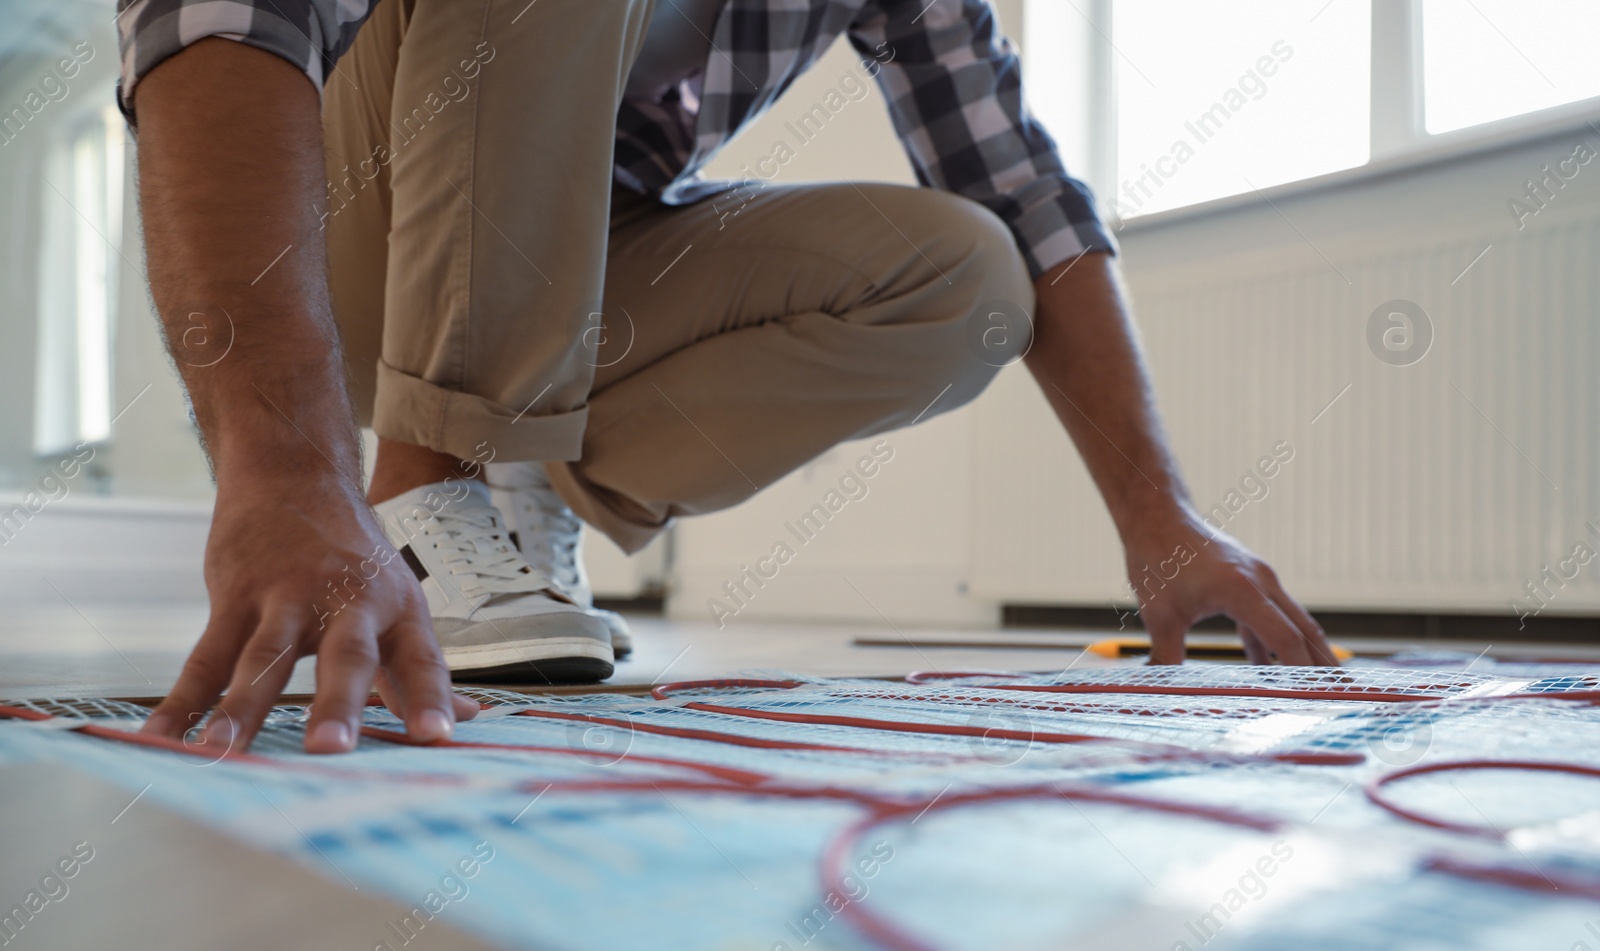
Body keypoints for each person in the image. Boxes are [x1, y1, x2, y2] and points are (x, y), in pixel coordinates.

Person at [121, 0, 1335, 756]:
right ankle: (425, 483)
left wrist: (1160, 518)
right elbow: (221, 16)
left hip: (554, 264)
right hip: (337, 222)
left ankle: (516, 469)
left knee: (970, 281)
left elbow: (1029, 202)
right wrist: (282, 462)